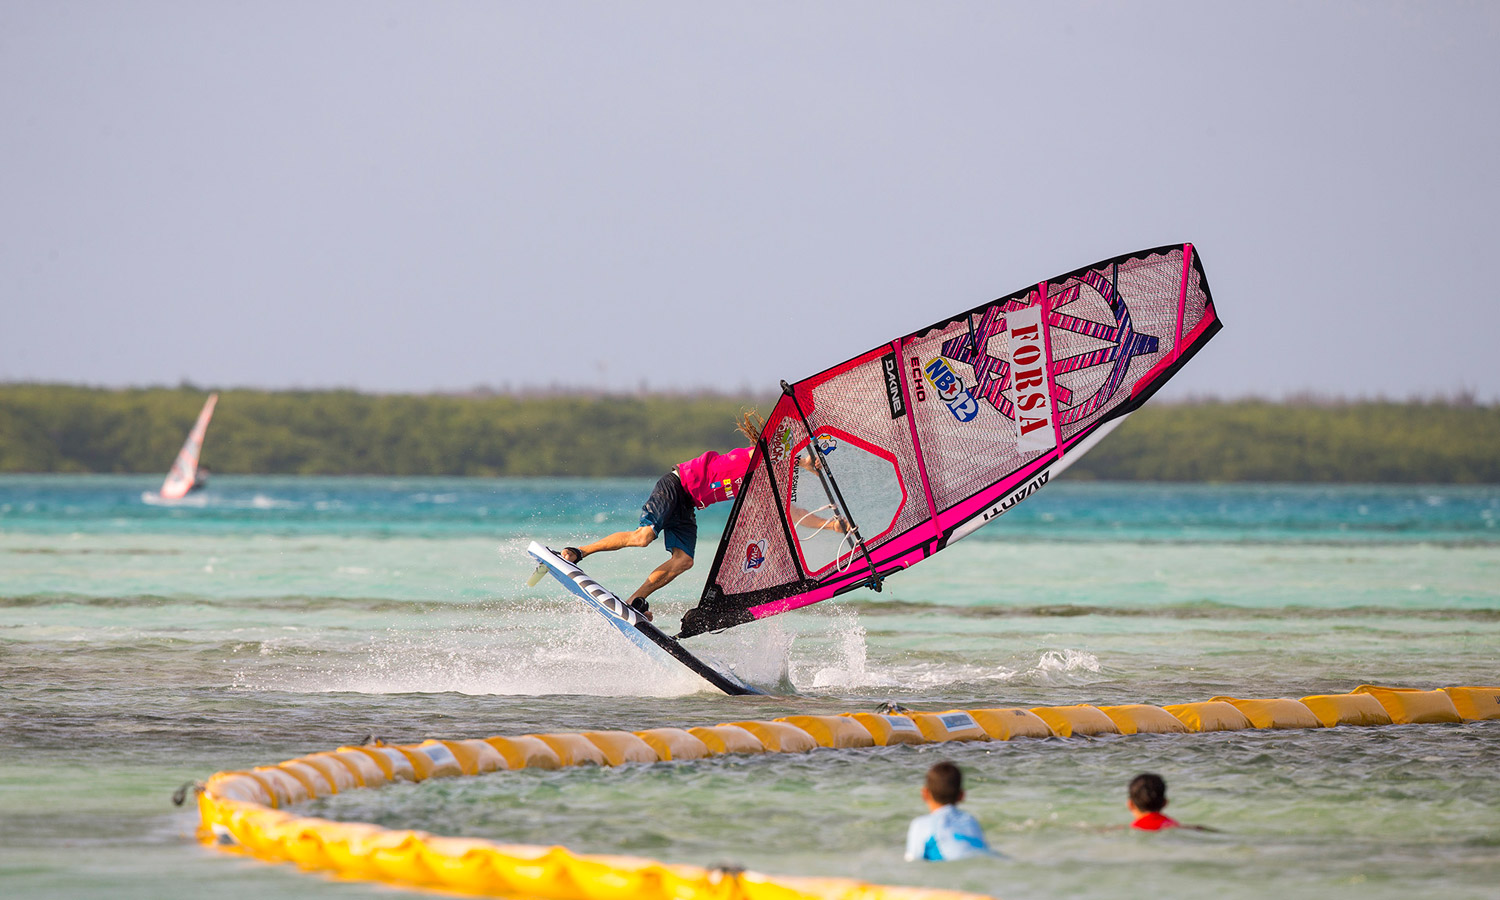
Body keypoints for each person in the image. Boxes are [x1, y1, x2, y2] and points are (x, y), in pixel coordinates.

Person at [559, 412, 840, 622]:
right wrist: (806, 461)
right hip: (677, 484)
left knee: (684, 560)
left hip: (690, 503)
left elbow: (793, 513)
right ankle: (577, 552)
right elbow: (773, 450)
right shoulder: (753, 458)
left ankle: (635, 600)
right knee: (643, 537)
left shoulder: (762, 485)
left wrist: (833, 525)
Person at [904, 761, 995, 862]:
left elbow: (912, 862)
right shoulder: (971, 820)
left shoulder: (920, 824)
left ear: (924, 794)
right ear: (962, 795)